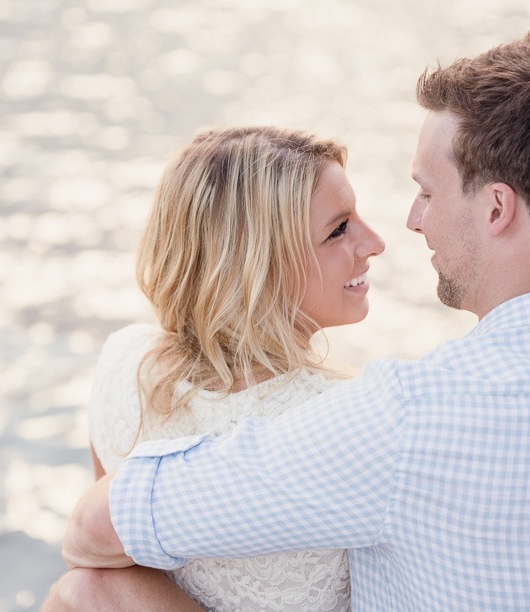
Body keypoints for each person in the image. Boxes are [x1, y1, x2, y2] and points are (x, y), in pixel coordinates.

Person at [58, 34, 530, 610]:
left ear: (497, 208)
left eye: (425, 191)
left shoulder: (406, 419)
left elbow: (99, 525)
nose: (409, 222)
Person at [45, 126, 385, 610]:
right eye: (338, 230)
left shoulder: (125, 362)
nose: (374, 242)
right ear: (257, 266)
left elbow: (101, 570)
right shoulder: (341, 416)